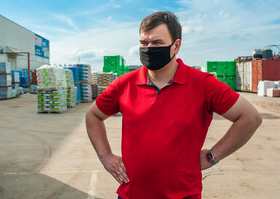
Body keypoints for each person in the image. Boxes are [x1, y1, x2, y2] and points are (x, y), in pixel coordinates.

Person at [85, 11, 262, 199]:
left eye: (157, 43)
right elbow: (93, 116)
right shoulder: (124, 85)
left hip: (183, 195)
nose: (149, 48)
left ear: (176, 46)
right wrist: (105, 156)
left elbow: (250, 117)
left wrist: (213, 155)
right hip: (131, 195)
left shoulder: (203, 84)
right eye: (144, 43)